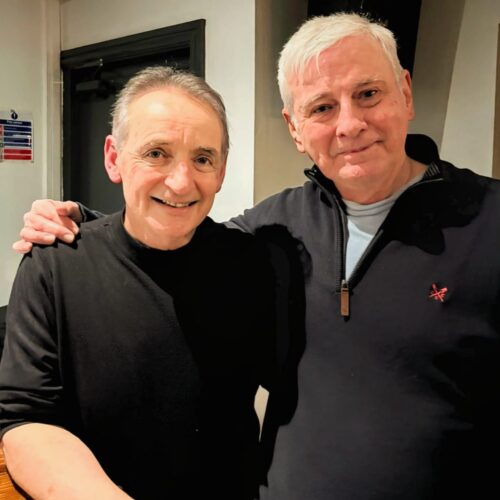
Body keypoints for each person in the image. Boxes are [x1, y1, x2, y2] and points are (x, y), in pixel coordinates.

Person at [10, 12, 500, 500]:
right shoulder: (273, 230)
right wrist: (83, 229)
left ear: (405, 93)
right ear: (295, 127)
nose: (350, 124)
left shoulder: (489, 220)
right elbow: (165, 246)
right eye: (323, 107)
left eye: (368, 93)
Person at [0, 66, 284, 500]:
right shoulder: (54, 264)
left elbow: (300, 386)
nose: (181, 182)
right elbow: (26, 420)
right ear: (114, 158)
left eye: (202, 159)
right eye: (156, 153)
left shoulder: (253, 265)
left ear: (221, 171)